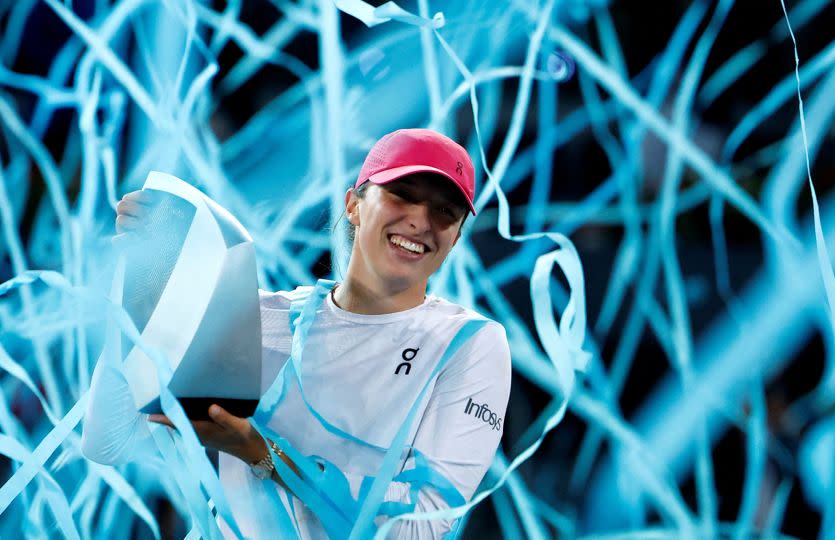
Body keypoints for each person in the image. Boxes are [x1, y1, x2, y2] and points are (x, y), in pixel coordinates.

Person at [81, 128, 512, 539]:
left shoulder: (468, 345)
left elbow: (419, 526)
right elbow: (108, 441)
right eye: (402, 194)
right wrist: (141, 288)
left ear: (455, 238)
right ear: (354, 205)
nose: (421, 221)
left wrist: (263, 454)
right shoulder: (259, 316)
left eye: (444, 212)